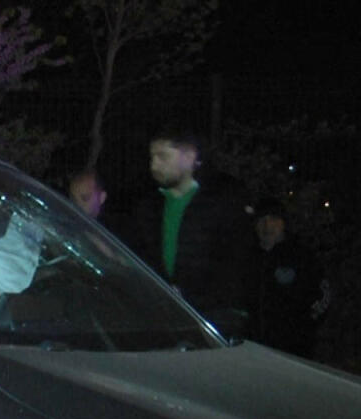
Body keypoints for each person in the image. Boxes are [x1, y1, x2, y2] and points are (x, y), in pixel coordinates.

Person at [131, 128, 251, 337]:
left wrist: (192, 296)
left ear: (189, 157)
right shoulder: (149, 207)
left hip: (213, 320)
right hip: (164, 317)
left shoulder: (222, 203)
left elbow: (236, 263)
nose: (154, 165)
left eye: (163, 156)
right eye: (152, 157)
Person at [247, 197, 330, 357]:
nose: (267, 226)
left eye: (273, 219)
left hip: (293, 351)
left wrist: (303, 327)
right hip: (254, 350)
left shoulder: (302, 257)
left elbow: (323, 296)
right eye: (262, 220)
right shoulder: (248, 259)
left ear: (283, 223)